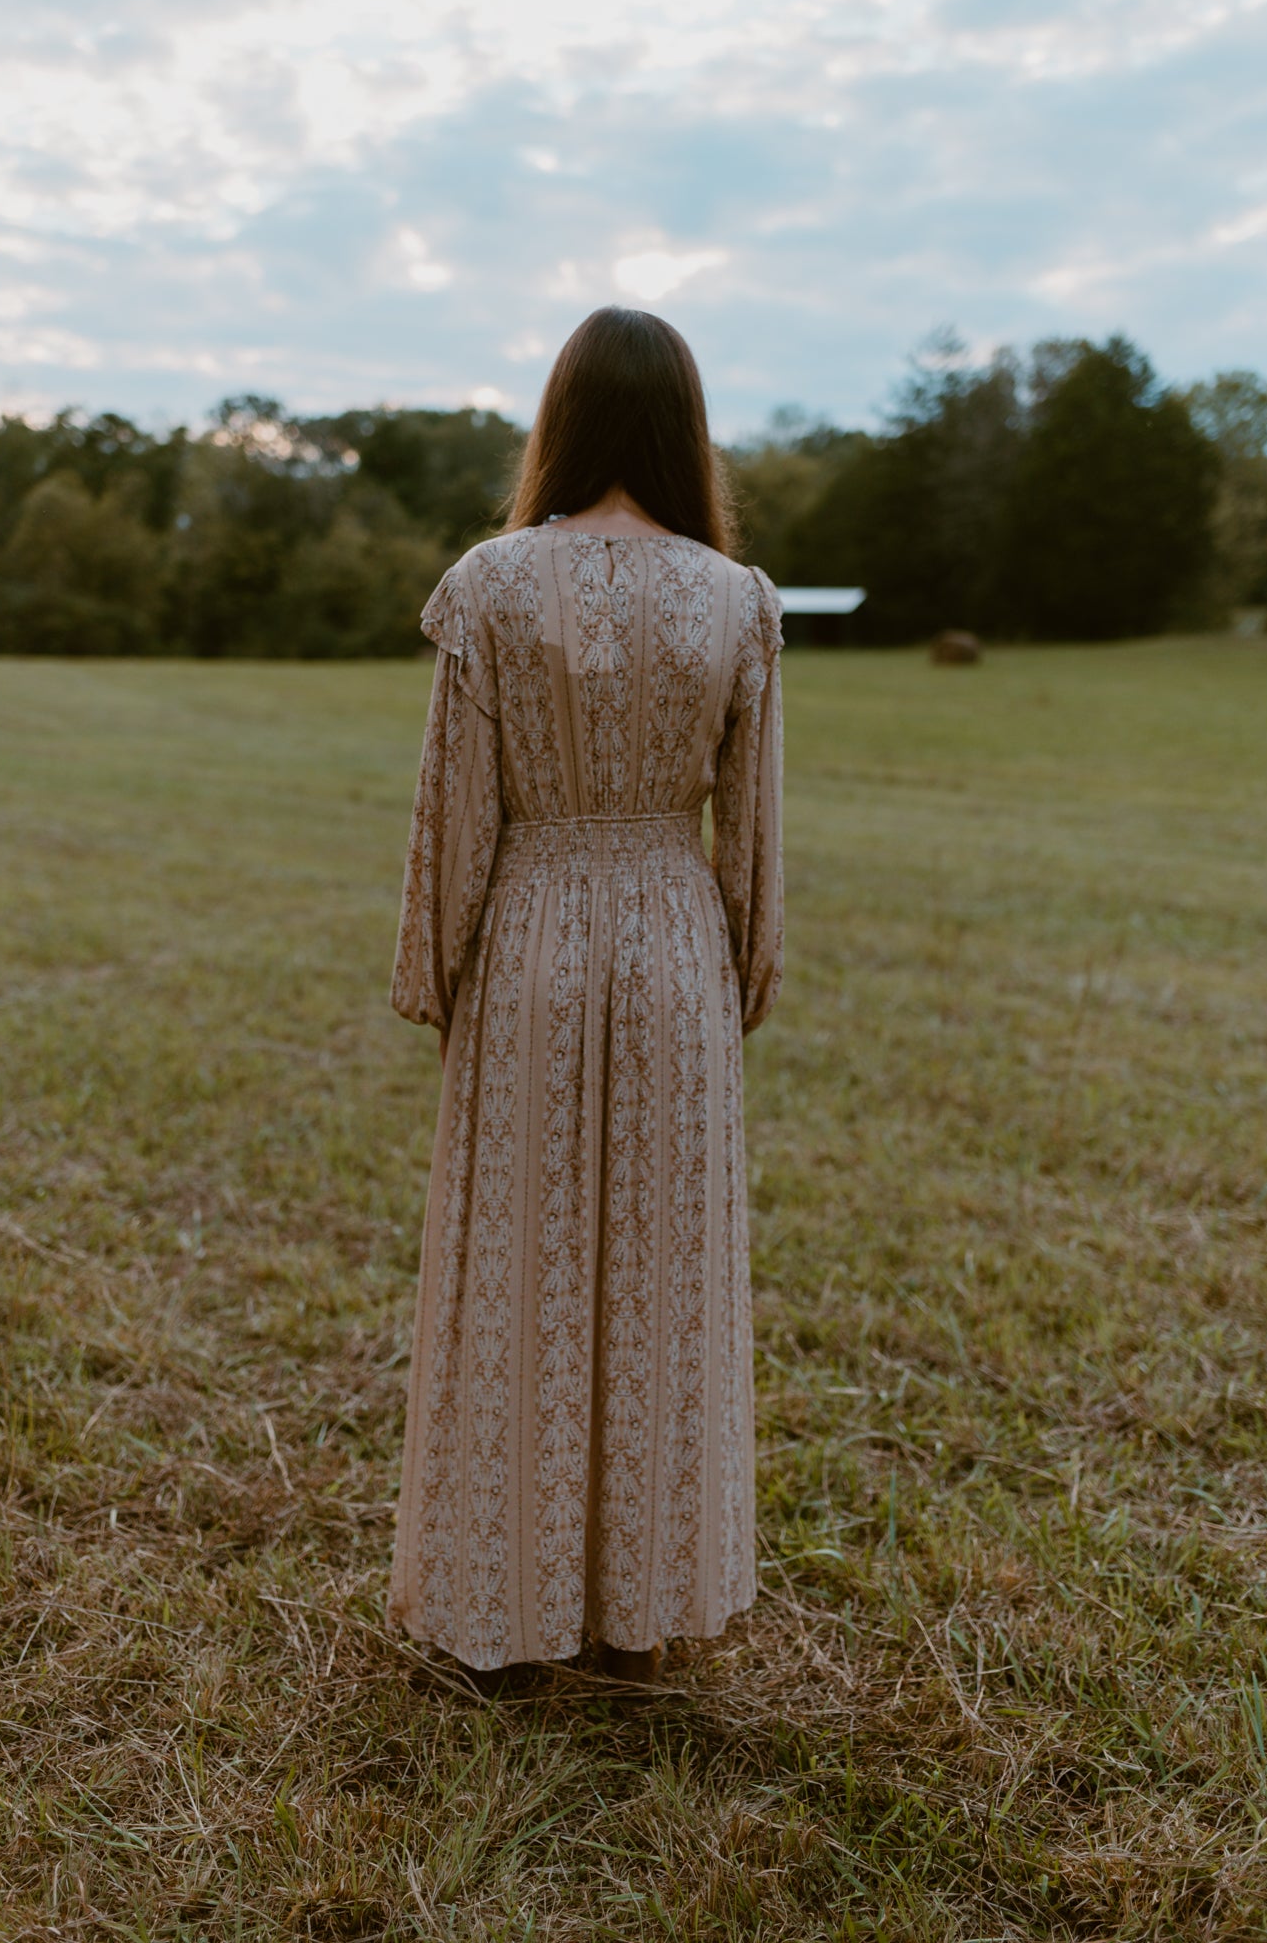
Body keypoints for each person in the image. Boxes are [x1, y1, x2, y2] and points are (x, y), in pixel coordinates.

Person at [386, 306, 784, 1689]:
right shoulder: (737, 599)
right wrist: (745, 965)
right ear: (685, 427)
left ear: (559, 418)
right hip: (676, 941)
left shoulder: (491, 584)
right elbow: (755, 830)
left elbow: (456, 808)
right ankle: (638, 1621)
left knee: (519, 1274)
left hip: (537, 939)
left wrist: (433, 965)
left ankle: (501, 1622)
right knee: (660, 1283)